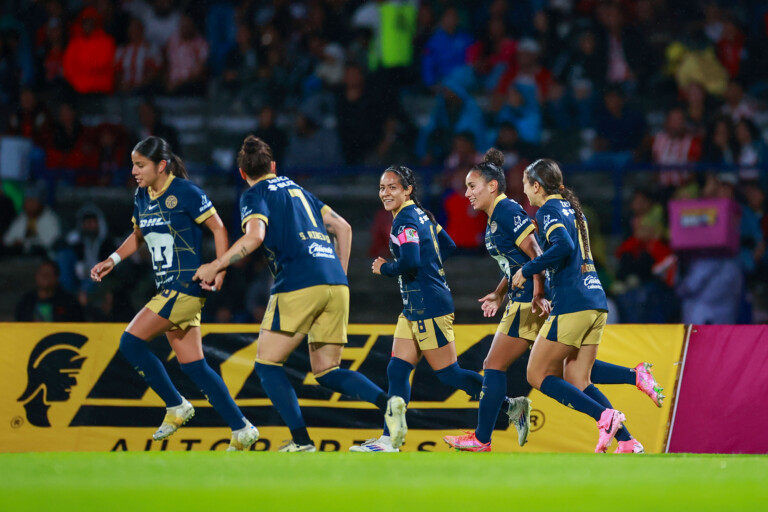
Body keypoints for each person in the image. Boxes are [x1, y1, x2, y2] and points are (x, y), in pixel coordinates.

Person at [193, 136, 407, 453]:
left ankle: (302, 441)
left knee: (267, 365)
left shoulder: (254, 194)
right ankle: (389, 404)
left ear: (242, 173)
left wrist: (217, 264)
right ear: (274, 166)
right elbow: (344, 228)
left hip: (297, 281)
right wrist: (338, 275)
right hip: (334, 281)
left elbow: (254, 237)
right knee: (327, 371)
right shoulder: (298, 190)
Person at [444, 149, 664, 452]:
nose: (467, 192)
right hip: (585, 296)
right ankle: (626, 433)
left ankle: (485, 436)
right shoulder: (556, 209)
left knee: (505, 367)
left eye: (472, 186)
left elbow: (537, 252)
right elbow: (518, 261)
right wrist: (499, 290)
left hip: (546, 300)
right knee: (575, 373)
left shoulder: (513, 211)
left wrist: (536, 288)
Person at [90, 136, 259, 452]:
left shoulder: (186, 192)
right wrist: (111, 260)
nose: (134, 171)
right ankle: (242, 428)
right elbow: (138, 236)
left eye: (140, 165)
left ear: (161, 165)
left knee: (130, 341)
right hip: (167, 288)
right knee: (194, 366)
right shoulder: (142, 196)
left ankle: (176, 405)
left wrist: (220, 268)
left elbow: (219, 228)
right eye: (133, 165)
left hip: (185, 286)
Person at [349, 165, 500, 453]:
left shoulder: (404, 220)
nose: (385, 193)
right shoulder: (422, 215)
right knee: (396, 369)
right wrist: (430, 264)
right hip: (414, 307)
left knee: (449, 375)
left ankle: (506, 404)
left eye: (392, 187)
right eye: (382, 187)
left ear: (407, 190)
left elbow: (410, 262)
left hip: (428, 305)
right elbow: (449, 244)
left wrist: (385, 268)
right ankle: (389, 439)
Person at [512, 158, 644, 454]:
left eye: (525, 185)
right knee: (578, 377)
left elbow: (563, 247)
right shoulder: (574, 209)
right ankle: (627, 441)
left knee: (536, 374)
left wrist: (530, 269)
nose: (524, 191)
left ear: (537, 185)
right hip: (596, 301)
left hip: (573, 303)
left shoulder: (548, 209)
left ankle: (604, 416)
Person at [15, 260, 84, 322]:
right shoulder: (26, 301)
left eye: (49, 274)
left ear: (57, 278)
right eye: (42, 273)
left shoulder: (68, 301)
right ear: (36, 276)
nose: (44, 276)